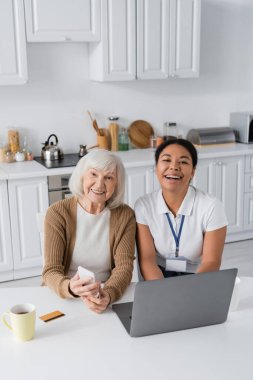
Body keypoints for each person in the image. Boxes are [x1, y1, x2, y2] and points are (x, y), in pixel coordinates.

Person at [42, 149, 136, 313]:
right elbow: (51, 271)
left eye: (108, 177)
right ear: (82, 177)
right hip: (65, 297)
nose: (100, 184)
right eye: (93, 174)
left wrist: (108, 294)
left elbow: (124, 267)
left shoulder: (125, 215)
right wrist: (69, 287)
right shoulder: (58, 213)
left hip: (103, 295)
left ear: (117, 184)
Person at [135, 138, 228, 280]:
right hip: (157, 274)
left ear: (193, 172)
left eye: (183, 162)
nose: (174, 167)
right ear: (156, 167)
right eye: (166, 160)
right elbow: (147, 260)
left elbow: (212, 261)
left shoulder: (212, 206)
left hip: (198, 275)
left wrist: (190, 291)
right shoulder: (143, 205)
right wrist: (161, 290)